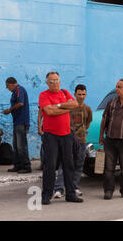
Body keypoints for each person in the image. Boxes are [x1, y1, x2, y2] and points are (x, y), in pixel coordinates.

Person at [38, 71, 83, 205]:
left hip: (66, 135)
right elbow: (49, 111)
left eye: (56, 80)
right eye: (51, 81)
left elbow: (74, 104)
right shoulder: (43, 95)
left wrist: (58, 106)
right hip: (51, 135)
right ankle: (46, 195)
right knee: (50, 167)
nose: (54, 83)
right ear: (47, 83)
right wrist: (65, 107)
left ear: (60, 81)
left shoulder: (64, 92)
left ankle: (70, 194)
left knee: (69, 165)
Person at [54, 84, 93, 199]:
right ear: (75, 94)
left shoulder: (87, 109)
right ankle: (59, 189)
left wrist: (82, 132)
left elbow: (87, 123)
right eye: (79, 94)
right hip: (67, 140)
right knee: (64, 164)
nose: (81, 96)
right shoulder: (69, 107)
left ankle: (74, 187)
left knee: (79, 164)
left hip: (81, 141)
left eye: (83, 94)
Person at [2, 77, 32, 173]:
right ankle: (18, 165)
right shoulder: (15, 92)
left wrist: (9, 110)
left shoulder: (19, 89)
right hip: (17, 121)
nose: (8, 88)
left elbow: (21, 103)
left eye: (7, 86)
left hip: (21, 121)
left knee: (21, 145)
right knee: (16, 145)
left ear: (11, 84)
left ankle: (26, 166)